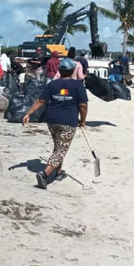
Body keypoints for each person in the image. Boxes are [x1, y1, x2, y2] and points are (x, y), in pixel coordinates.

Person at [23, 58, 88, 189]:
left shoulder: (52, 85)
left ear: (60, 70)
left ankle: (58, 172)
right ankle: (44, 174)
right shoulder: (78, 85)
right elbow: (83, 105)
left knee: (59, 146)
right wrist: (83, 120)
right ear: (73, 70)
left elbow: (41, 101)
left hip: (52, 120)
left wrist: (28, 113)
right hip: (68, 121)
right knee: (61, 150)